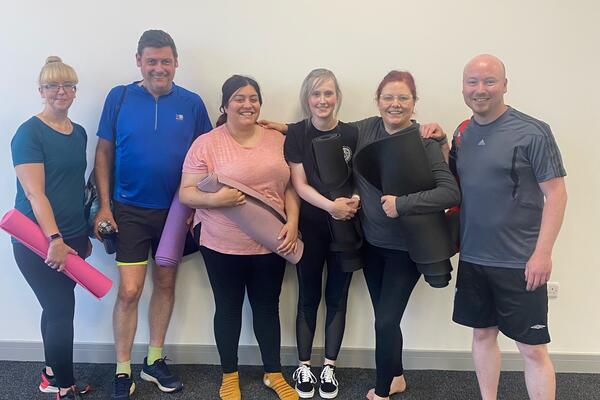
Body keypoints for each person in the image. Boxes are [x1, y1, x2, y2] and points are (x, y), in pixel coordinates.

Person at [93, 30, 212, 399]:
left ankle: (154, 361)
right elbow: (103, 154)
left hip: (176, 214)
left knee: (165, 284)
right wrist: (105, 206)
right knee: (129, 291)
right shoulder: (120, 97)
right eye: (151, 60)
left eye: (165, 61)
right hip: (128, 210)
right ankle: (123, 368)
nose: (158, 67)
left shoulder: (192, 103)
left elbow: (209, 155)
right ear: (139, 61)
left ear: (176, 62)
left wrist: (197, 207)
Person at [448, 54, 567, 400]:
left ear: (504, 85)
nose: (480, 89)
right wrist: (438, 140)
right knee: (482, 335)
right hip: (473, 257)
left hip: (520, 262)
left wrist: (542, 254)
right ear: (463, 87)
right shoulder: (462, 132)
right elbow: (452, 180)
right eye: (472, 82)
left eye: (489, 81)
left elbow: (557, 195)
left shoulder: (533, 131)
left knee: (532, 349)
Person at [179, 75, 300, 400]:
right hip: (221, 243)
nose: (247, 104)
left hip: (272, 240)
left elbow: (290, 185)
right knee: (229, 307)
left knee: (266, 307)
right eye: (239, 98)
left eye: (253, 98)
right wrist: (215, 200)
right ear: (225, 105)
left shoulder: (277, 139)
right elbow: (186, 193)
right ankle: (229, 374)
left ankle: (273, 373)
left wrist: (292, 221)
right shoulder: (207, 143)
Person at [353, 71, 460, 400]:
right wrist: (282, 127)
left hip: (406, 249)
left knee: (384, 322)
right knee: (386, 320)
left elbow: (450, 193)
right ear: (377, 100)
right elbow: (323, 129)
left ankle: (382, 391)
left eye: (403, 98)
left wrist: (403, 204)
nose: (395, 104)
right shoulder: (365, 129)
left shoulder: (424, 141)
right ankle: (396, 376)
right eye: (388, 97)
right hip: (372, 245)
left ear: (414, 103)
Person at [261, 68, 358, 399]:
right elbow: (299, 184)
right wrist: (332, 206)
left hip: (347, 228)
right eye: (316, 94)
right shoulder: (297, 135)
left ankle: (329, 366)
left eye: (328, 93)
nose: (322, 100)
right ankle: (304, 365)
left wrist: (353, 202)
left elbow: (362, 179)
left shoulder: (353, 134)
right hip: (311, 228)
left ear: (337, 97)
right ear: (307, 98)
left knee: (338, 297)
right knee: (307, 296)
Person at [10, 56, 92, 400]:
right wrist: (55, 239)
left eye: (68, 85)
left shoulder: (79, 133)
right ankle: (63, 386)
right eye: (53, 86)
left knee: (56, 307)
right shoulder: (28, 133)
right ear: (41, 91)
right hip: (36, 237)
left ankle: (51, 374)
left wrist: (83, 233)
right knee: (61, 309)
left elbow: (75, 186)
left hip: (72, 235)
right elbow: (35, 192)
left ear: (75, 91)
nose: (62, 91)